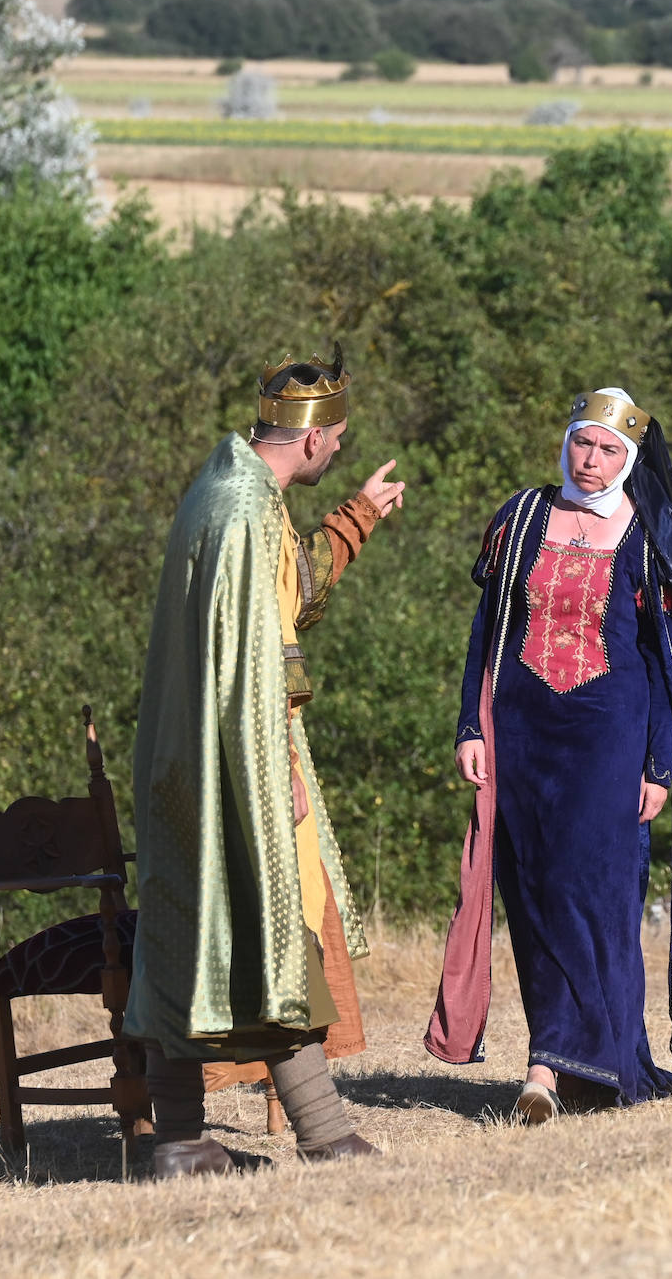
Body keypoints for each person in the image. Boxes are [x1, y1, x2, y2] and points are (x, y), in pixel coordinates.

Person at [425, 388, 672, 1122]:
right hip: (519, 736)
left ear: (628, 458)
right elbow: (486, 633)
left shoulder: (647, 537)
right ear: (565, 443)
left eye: (607, 450)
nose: (591, 461)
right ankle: (570, 1060)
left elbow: (663, 664)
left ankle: (550, 1067)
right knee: (532, 892)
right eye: (582, 443)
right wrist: (467, 729)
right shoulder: (520, 517)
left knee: (592, 894)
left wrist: (659, 765)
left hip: (609, 739)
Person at [124, 346, 405, 1177]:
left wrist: (355, 519)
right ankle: (320, 1131)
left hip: (191, 753)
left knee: (199, 928)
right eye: (339, 444)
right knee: (272, 926)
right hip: (235, 752)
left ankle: (180, 1139)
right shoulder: (244, 510)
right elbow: (250, 657)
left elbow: (283, 596)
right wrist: (272, 763)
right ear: (315, 440)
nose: (340, 455)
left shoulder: (231, 487)